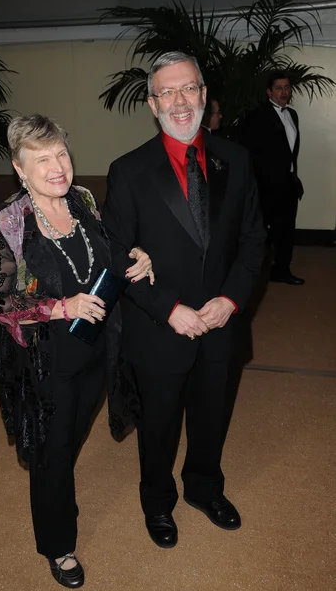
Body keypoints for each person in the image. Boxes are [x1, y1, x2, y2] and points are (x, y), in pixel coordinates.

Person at [0, 114, 154, 588]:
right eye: (42, 159)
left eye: (62, 155)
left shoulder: (83, 200)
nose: (58, 168)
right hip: (45, 359)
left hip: (96, 349)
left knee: (68, 439)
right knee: (53, 455)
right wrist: (59, 306)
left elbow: (104, 248)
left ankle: (50, 481)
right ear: (19, 167)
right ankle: (59, 545)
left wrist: (135, 254)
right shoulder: (5, 223)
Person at [103, 51, 265, 549]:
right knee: (159, 426)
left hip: (220, 325)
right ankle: (157, 500)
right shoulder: (128, 171)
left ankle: (204, 488)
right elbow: (118, 259)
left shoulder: (235, 159)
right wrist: (170, 308)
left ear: (203, 94)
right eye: (167, 92)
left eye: (188, 88)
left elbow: (255, 241)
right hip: (159, 329)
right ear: (152, 104)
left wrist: (230, 302)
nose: (179, 101)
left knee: (212, 416)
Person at [242, 72, 305, 285]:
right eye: (278, 88)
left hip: (288, 184)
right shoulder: (257, 116)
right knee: (262, 233)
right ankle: (255, 275)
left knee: (287, 230)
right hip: (265, 185)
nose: (284, 92)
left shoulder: (293, 115)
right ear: (269, 91)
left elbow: (289, 151)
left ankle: (282, 270)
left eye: (287, 87)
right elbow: (249, 152)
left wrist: (293, 177)